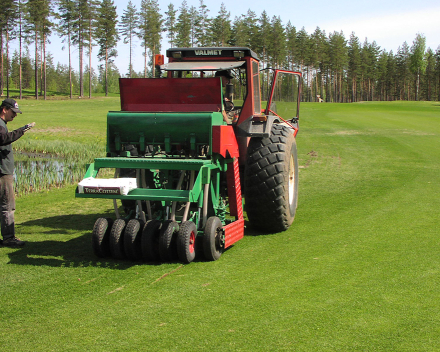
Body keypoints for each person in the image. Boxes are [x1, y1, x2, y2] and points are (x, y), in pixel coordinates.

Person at [0, 98, 35, 248]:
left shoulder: (3, 125)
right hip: (3, 172)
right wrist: (23, 130)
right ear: (4, 110)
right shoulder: (0, 126)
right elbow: (3, 139)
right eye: (13, 112)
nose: (15, 115)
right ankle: (9, 238)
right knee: (7, 206)